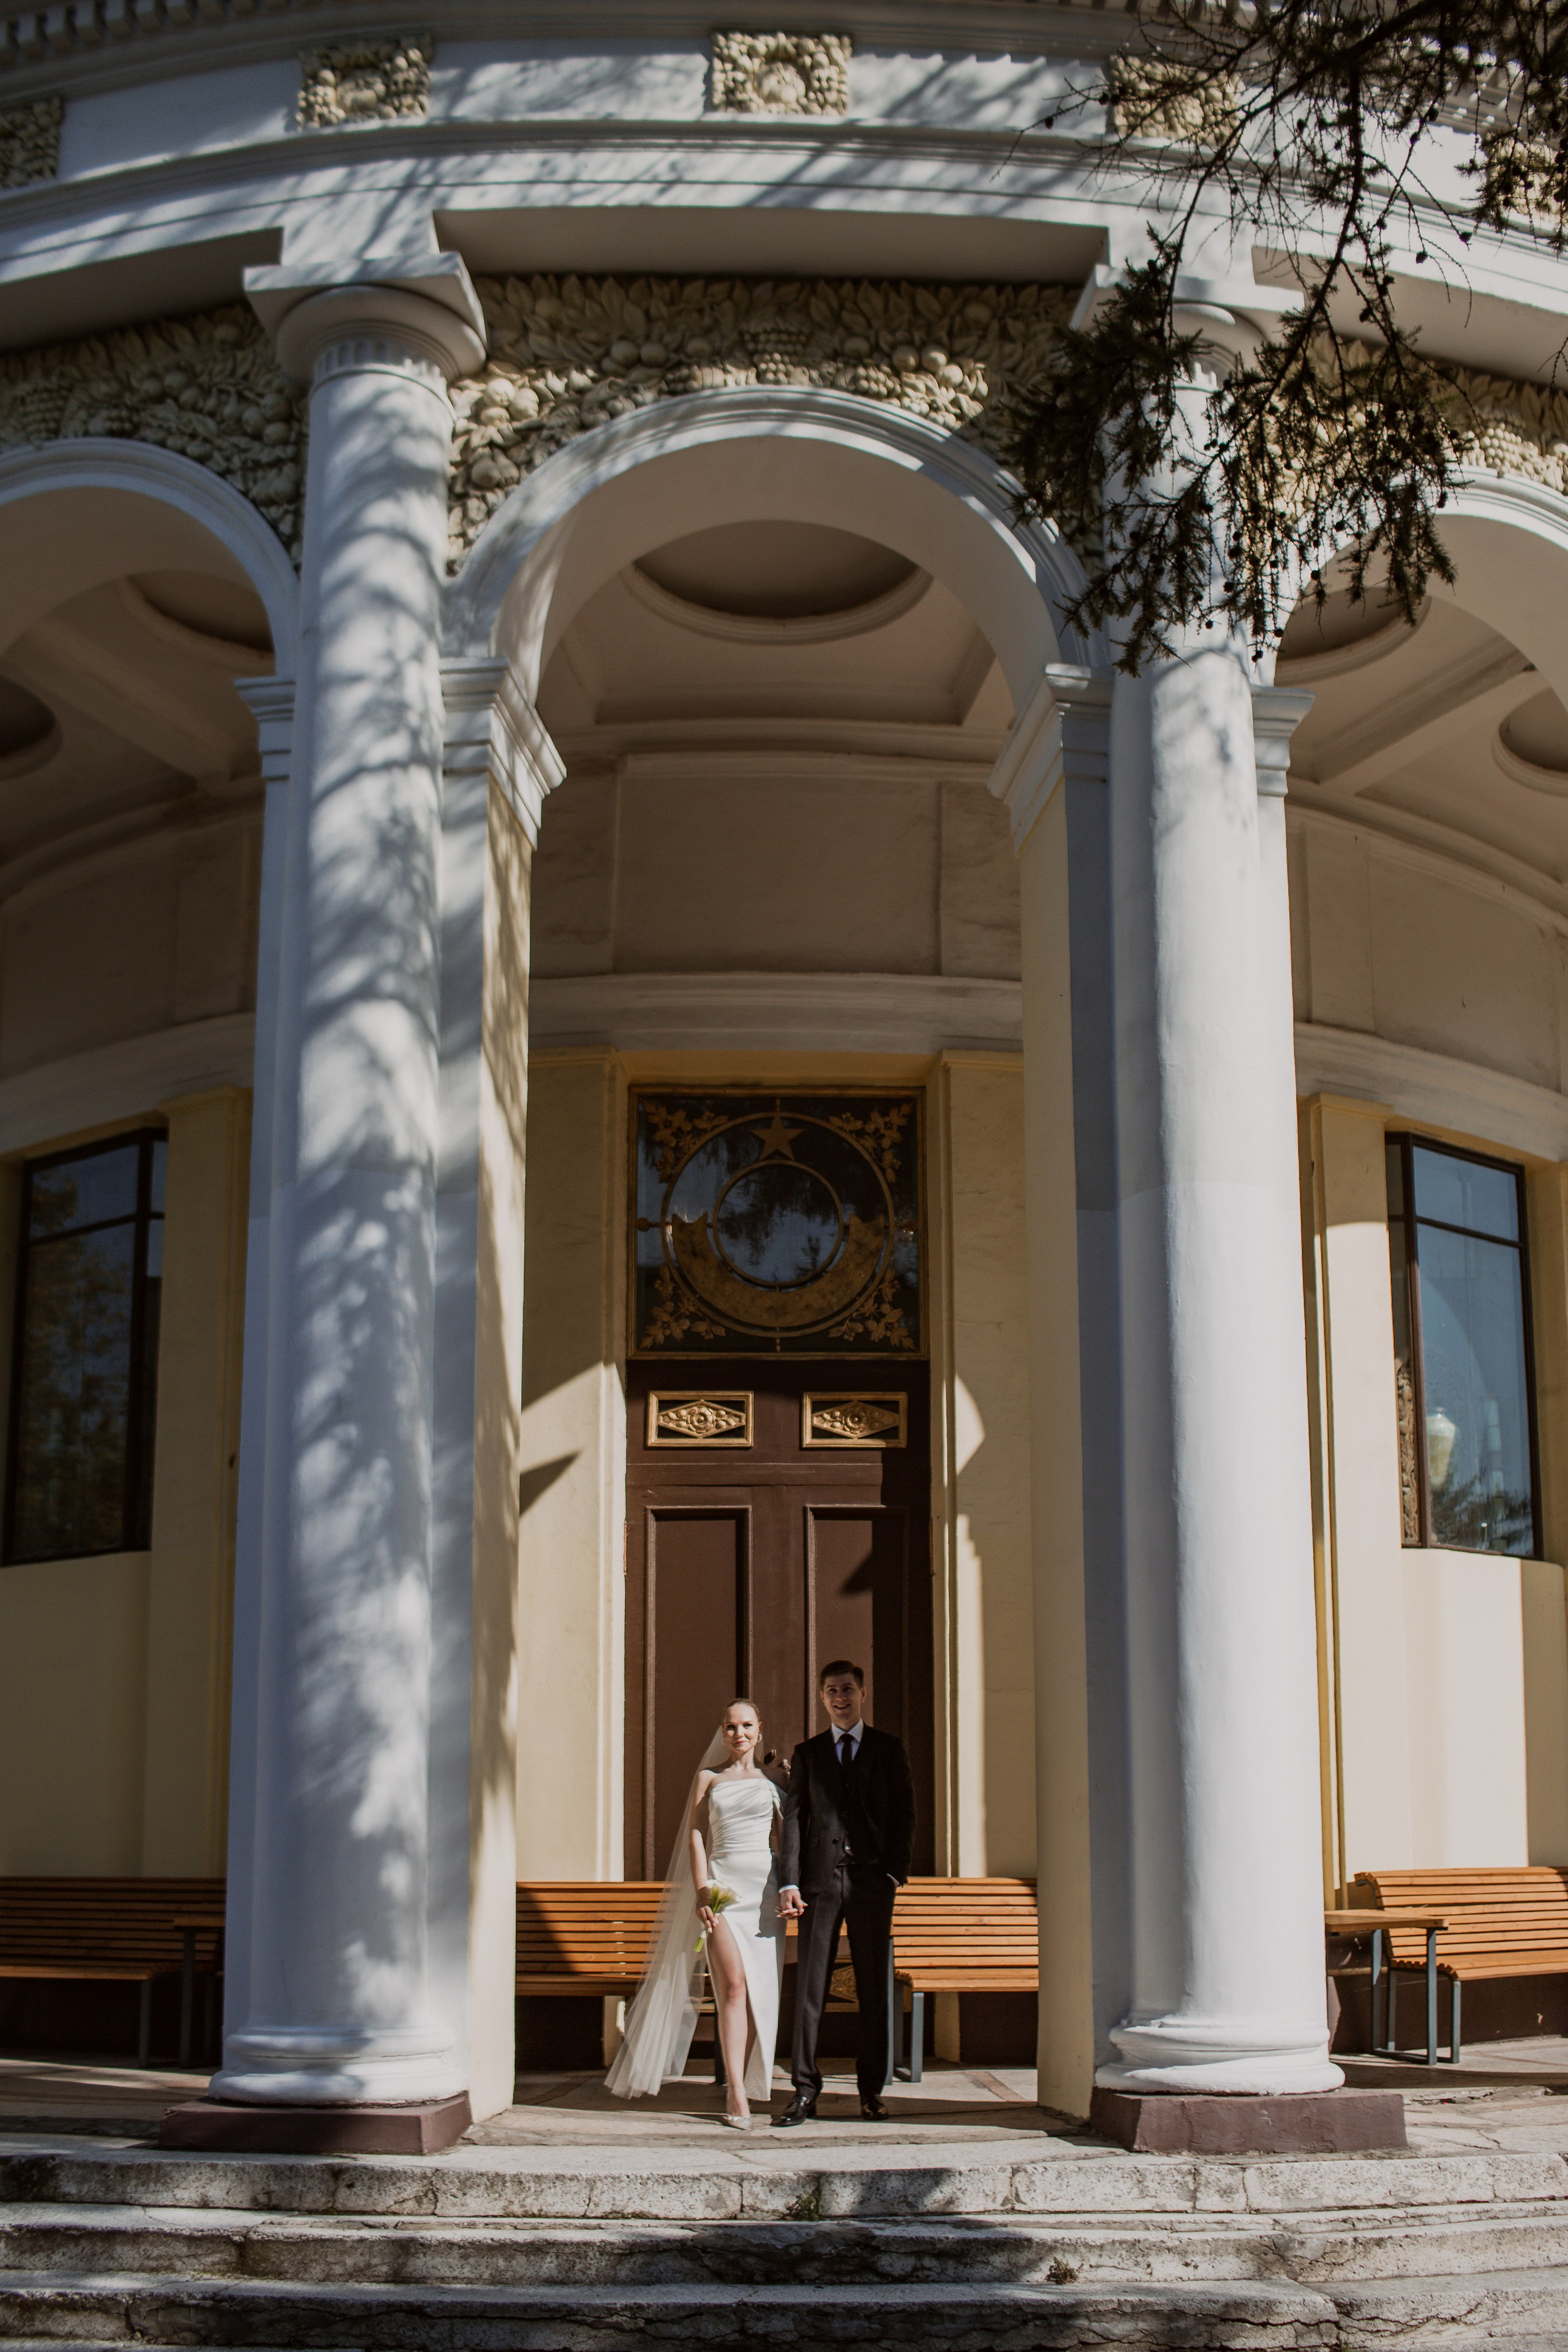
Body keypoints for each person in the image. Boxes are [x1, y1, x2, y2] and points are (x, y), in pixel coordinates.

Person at [605, 1697, 783, 2128]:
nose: (738, 1734)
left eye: (746, 1726)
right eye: (730, 1726)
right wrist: (703, 1890)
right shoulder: (708, 1778)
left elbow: (786, 1838)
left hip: (763, 1897)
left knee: (760, 1993)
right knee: (734, 1988)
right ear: (722, 1733)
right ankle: (737, 2095)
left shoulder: (777, 1781)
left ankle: (746, 2076)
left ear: (760, 1730)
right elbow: (697, 1836)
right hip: (722, 1890)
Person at [775, 1659, 915, 2126]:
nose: (840, 1697)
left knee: (873, 1987)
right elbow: (794, 1821)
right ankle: (804, 2091)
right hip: (819, 1883)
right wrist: (790, 1880)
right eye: (832, 1690)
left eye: (848, 1689)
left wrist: (895, 1872)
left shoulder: (888, 1749)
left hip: (872, 1882)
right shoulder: (809, 1753)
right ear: (822, 1697)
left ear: (863, 1693)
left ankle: (870, 2091)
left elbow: (906, 1814)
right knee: (811, 1989)